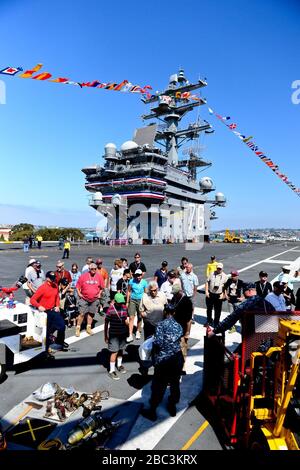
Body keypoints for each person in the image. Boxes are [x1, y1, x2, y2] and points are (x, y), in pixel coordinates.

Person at [140, 304, 184, 421]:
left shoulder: (160, 325)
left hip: (164, 361)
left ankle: (152, 410)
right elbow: (179, 339)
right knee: (175, 384)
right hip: (177, 359)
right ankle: (172, 406)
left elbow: (158, 342)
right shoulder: (179, 326)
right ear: (174, 313)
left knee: (159, 385)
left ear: (165, 312)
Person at [207, 283, 274, 337]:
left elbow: (231, 319)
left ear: (249, 291)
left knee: (237, 353)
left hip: (251, 339)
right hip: (268, 336)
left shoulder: (246, 304)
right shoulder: (266, 303)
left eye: (244, 291)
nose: (243, 294)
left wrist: (214, 331)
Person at [30, 271, 68, 359]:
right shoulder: (42, 288)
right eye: (52, 278)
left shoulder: (55, 286)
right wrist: (39, 306)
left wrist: (58, 306)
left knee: (62, 326)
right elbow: (33, 300)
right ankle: (46, 352)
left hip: (53, 311)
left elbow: (57, 297)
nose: (54, 280)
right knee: (46, 333)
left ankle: (59, 344)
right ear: (47, 278)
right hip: (45, 313)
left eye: (54, 278)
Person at [104, 293, 129, 380]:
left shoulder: (125, 308)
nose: (121, 304)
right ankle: (111, 370)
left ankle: (119, 365)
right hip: (114, 334)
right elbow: (106, 323)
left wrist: (129, 331)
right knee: (114, 352)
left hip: (123, 333)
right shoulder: (110, 310)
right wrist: (105, 336)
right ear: (114, 301)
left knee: (121, 350)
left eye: (122, 302)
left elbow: (125, 319)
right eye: (119, 303)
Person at [76, 263, 104, 336]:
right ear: (89, 269)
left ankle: (88, 327)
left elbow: (102, 287)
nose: (94, 270)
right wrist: (79, 293)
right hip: (84, 298)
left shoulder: (99, 276)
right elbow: (77, 286)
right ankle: (78, 328)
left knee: (91, 313)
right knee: (81, 313)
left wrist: (99, 293)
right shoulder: (83, 276)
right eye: (92, 269)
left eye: (95, 269)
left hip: (94, 299)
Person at [170, 284, 193, 374]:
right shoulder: (174, 299)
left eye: (175, 293)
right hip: (174, 328)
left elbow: (189, 320)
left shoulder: (186, 301)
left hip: (183, 329)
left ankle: (182, 368)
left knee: (183, 348)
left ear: (180, 292)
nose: (174, 295)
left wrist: (187, 332)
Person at [126, 269, 148, 342]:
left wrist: (145, 303)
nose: (139, 277)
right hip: (132, 300)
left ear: (142, 275)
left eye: (140, 275)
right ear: (135, 275)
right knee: (131, 317)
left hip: (141, 301)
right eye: (137, 275)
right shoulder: (131, 281)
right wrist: (127, 301)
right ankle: (130, 335)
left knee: (140, 316)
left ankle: (138, 331)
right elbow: (129, 291)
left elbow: (146, 293)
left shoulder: (144, 282)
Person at [205, 262, 228, 327]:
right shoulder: (212, 273)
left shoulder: (225, 276)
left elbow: (226, 287)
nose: (219, 270)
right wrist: (206, 291)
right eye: (218, 268)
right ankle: (209, 320)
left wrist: (223, 294)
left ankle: (216, 322)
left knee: (218, 310)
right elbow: (207, 282)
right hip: (210, 293)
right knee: (209, 308)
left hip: (219, 295)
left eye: (220, 269)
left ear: (222, 269)